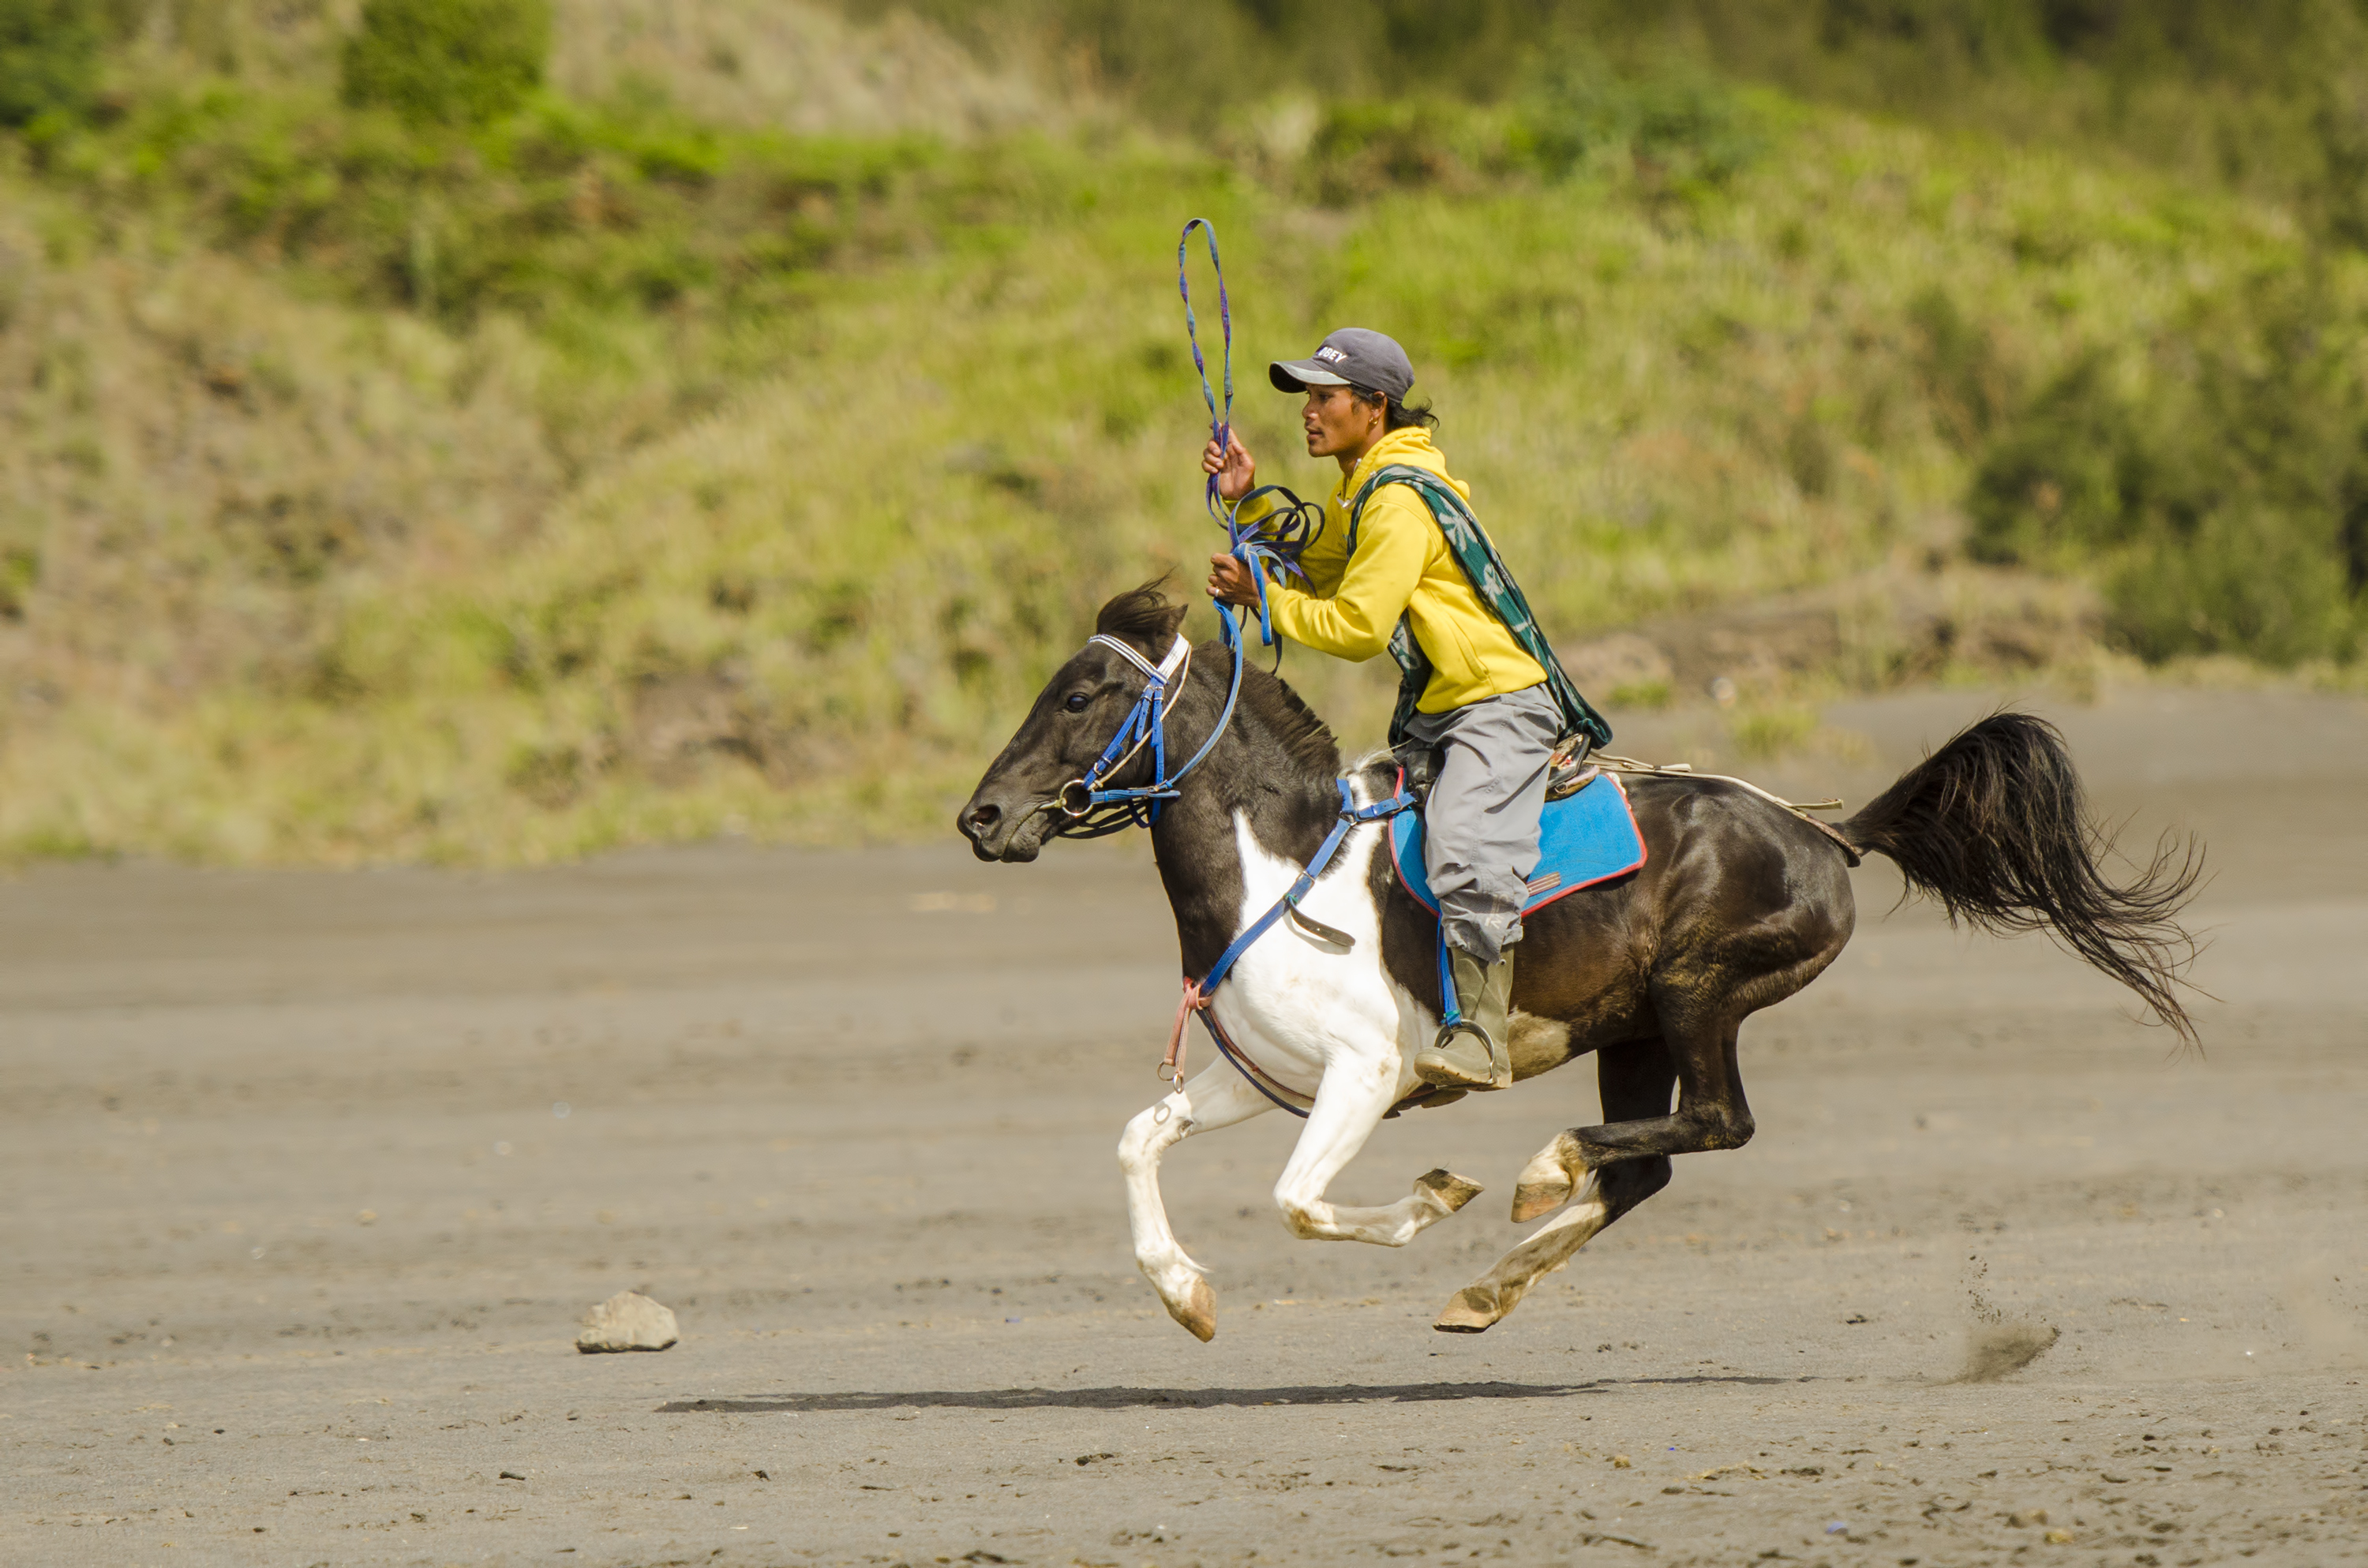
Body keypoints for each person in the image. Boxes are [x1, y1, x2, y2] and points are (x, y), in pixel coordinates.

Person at [1201, 327, 1606, 1093]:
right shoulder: (1369, 486)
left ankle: (1483, 1038)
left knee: (1462, 836)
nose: (1309, 412)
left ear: (1374, 406)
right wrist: (1250, 498)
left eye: (1325, 397)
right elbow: (1322, 558)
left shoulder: (1395, 501)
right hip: (1445, 708)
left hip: (1495, 704)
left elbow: (1354, 626)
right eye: (1307, 398)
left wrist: (1265, 598)